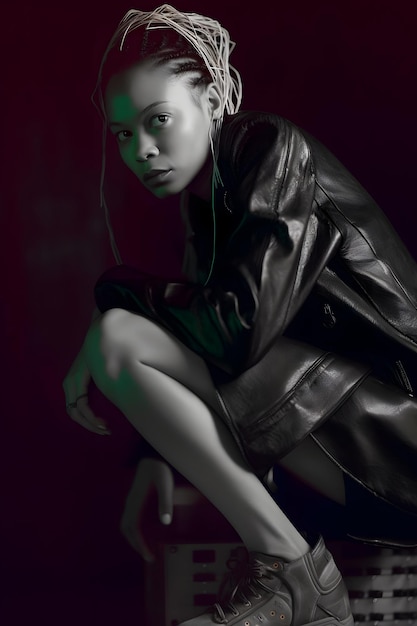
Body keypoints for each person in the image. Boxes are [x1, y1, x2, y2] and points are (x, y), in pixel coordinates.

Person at [63, 4, 417, 625]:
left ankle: (294, 577)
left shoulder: (271, 150)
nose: (142, 150)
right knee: (120, 338)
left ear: (214, 96)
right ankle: (293, 574)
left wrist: (111, 292)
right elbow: (199, 335)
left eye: (159, 121)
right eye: (123, 134)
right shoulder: (210, 203)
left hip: (401, 440)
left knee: (118, 335)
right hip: (360, 440)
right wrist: (154, 452)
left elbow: (233, 334)